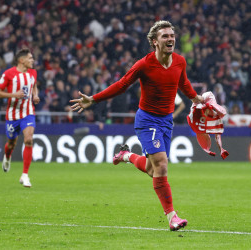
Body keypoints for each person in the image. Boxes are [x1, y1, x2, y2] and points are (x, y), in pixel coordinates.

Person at [70, 20, 203, 231]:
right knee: (161, 164)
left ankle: (125, 155)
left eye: (172, 35)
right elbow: (122, 84)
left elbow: (183, 83)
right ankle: (172, 217)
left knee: (153, 170)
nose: (170, 39)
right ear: (154, 42)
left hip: (166, 121)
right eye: (165, 36)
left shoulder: (180, 62)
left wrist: (196, 99)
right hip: (147, 119)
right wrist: (93, 99)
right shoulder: (144, 64)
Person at [0, 48, 40, 188]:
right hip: (12, 115)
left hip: (28, 113)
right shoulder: (9, 74)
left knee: (28, 139)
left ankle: (25, 175)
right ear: (22, 60)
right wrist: (13, 95)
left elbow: (34, 85)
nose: (32, 60)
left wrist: (35, 95)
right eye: (30, 58)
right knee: (11, 144)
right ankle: (7, 156)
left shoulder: (33, 72)